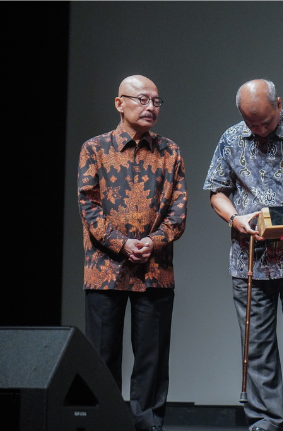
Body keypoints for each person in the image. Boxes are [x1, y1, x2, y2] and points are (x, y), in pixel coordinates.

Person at [203, 79, 283, 431]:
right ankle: (264, 420)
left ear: (279, 104)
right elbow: (217, 191)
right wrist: (234, 218)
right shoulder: (232, 138)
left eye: (265, 122)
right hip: (250, 261)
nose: (259, 130)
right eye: (251, 123)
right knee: (256, 348)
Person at [78, 75, 187, 431]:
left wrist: (152, 242)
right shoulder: (95, 148)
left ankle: (147, 425)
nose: (150, 107)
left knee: (152, 360)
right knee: (102, 356)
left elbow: (178, 211)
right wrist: (121, 243)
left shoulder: (170, 151)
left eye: (156, 101)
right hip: (105, 268)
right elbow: (89, 206)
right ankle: (103, 423)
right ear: (119, 103)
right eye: (142, 100)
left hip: (155, 269)